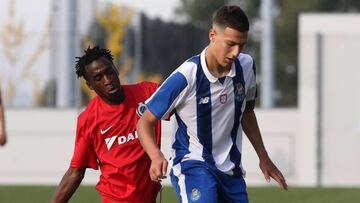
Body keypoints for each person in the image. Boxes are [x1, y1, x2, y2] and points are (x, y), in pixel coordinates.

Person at [136, 5, 288, 203]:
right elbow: (144, 122)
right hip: (194, 165)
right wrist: (155, 156)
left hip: (231, 171)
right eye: (230, 44)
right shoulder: (186, 76)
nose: (236, 52)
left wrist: (263, 157)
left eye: (241, 45)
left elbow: (247, 112)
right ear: (213, 35)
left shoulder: (247, 66)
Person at [51, 46, 162, 203]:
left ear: (116, 70)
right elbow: (76, 171)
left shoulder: (148, 93)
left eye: (109, 72)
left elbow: (184, 101)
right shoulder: (88, 119)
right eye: (98, 78)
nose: (107, 80)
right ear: (90, 85)